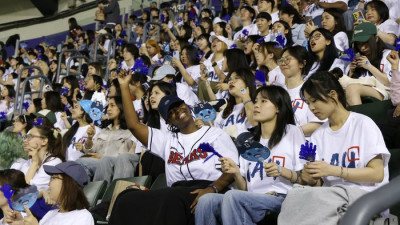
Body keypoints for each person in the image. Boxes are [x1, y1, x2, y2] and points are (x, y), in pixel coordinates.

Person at [108, 72, 239, 225]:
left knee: (171, 198)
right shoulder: (167, 140)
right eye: (171, 112)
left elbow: (231, 169)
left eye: (178, 106)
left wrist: (213, 189)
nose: (177, 111)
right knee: (126, 198)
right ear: (169, 122)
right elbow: (133, 126)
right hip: (177, 191)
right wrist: (124, 87)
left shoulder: (215, 134)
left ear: (187, 106)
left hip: (210, 187)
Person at [278, 71, 390, 225]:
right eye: (308, 103)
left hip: (366, 198)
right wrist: (311, 178)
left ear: (333, 95)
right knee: (294, 194)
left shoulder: (363, 124)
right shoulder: (318, 135)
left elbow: (377, 174)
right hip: (332, 198)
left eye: (314, 100)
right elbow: (322, 184)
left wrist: (333, 170)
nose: (311, 107)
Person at [195, 85, 306, 225]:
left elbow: (306, 179)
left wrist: (283, 171)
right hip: (252, 198)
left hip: (283, 197)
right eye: (256, 101)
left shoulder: (291, 132)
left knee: (232, 196)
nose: (256, 105)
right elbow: (244, 190)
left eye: (263, 101)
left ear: (278, 108)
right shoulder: (249, 143)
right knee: (207, 201)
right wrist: (235, 172)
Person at [76, 96, 137, 185]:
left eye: (112, 106)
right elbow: (89, 150)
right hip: (97, 163)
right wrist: (89, 137)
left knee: (83, 163)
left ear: (121, 108)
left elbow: (124, 158)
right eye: (108, 106)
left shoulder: (129, 132)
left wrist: (102, 157)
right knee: (76, 164)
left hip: (114, 166)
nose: (108, 109)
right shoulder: (104, 130)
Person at [11, 161, 94, 225]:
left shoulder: (83, 216)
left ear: (68, 183)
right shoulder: (50, 214)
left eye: (53, 178)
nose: (48, 183)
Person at [347, 22, 396, 105]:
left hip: (385, 94)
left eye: (365, 42)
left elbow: (390, 83)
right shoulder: (359, 59)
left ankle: (359, 118)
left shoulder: (388, 55)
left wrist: (369, 66)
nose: (362, 48)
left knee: (352, 88)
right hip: (363, 92)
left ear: (376, 39)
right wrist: (351, 71)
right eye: (359, 44)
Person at [279, 46, 323, 136]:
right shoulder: (278, 91)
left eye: (287, 59)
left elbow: (318, 124)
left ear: (302, 64)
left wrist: (288, 133)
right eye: (281, 60)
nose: (283, 63)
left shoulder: (311, 89)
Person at [213, 68, 257, 139]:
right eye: (230, 79)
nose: (231, 82)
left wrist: (245, 95)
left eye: (236, 78)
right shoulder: (224, 112)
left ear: (247, 82)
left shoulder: (257, 105)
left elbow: (255, 123)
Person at [23, 119, 64, 193]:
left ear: (44, 141)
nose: (25, 141)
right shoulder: (29, 161)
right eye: (25, 137)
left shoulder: (54, 162)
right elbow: (18, 186)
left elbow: (28, 190)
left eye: (29, 137)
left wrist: (35, 164)